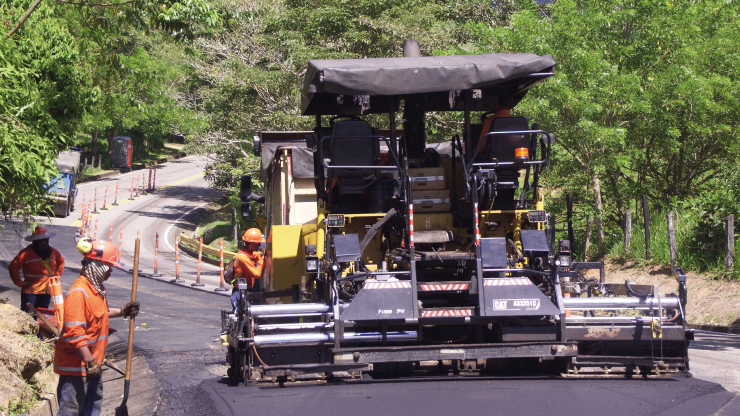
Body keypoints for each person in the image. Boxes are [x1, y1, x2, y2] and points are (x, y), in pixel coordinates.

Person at [54, 238, 140, 416]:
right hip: (77, 368)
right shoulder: (79, 293)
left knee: (91, 411)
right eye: (109, 266)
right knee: (71, 411)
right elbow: (74, 332)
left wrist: (123, 312)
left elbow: (100, 313)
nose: (110, 271)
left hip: (93, 365)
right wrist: (89, 362)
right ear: (97, 265)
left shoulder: (96, 290)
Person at [9, 226, 65, 313]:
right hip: (31, 292)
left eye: (44, 240)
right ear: (35, 242)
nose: (43, 242)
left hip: (47, 292)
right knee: (28, 317)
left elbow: (61, 262)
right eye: (40, 241)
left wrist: (56, 276)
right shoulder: (26, 253)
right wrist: (20, 283)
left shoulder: (53, 252)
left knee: (42, 318)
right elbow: (13, 266)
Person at [230, 228, 265, 312]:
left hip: (247, 291)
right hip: (240, 293)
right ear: (252, 245)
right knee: (243, 317)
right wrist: (262, 259)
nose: (260, 246)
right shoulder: (242, 257)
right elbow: (257, 274)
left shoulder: (248, 253)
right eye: (258, 244)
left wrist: (262, 253)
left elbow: (256, 254)